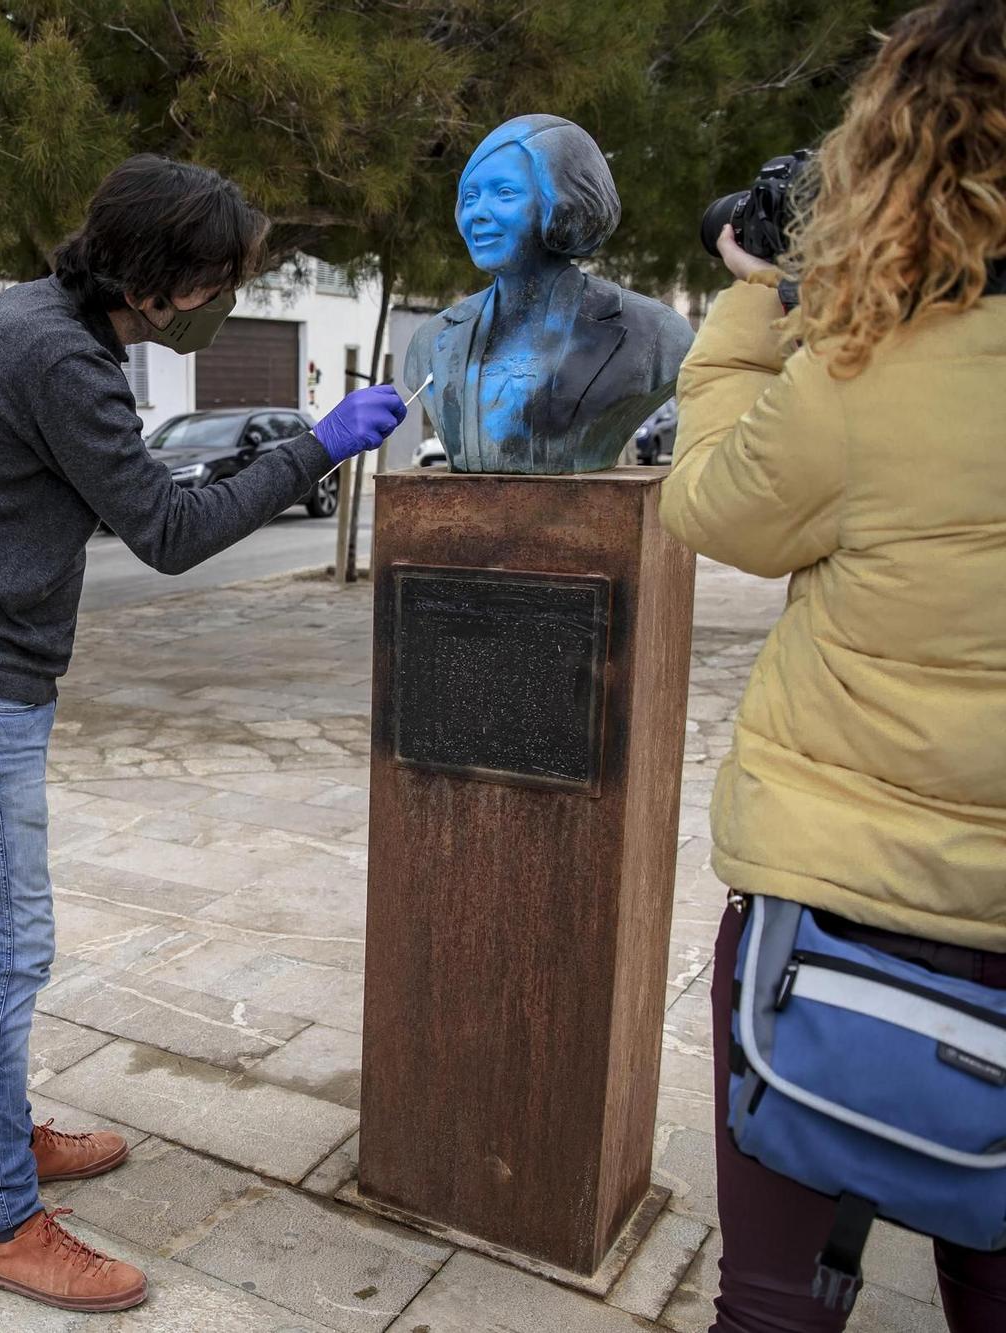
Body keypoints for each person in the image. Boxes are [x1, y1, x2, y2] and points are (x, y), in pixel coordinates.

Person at [0, 155, 406, 1312]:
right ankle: (0, 1219)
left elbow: (129, 484)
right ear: (161, 281)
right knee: (1, 944)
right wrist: (313, 448)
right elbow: (164, 532)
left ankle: (1, 1136)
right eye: (216, 281)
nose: (223, 302)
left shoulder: (42, 316)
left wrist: (268, 455)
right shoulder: (61, 352)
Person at [658, 2, 1006, 1328]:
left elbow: (712, 500)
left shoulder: (866, 374)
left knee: (778, 1299)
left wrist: (769, 298)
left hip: (838, 911)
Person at [404, 113, 694, 474]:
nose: (477, 213)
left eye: (504, 193)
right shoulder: (433, 342)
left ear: (564, 202)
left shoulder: (658, 336)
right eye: (470, 196)